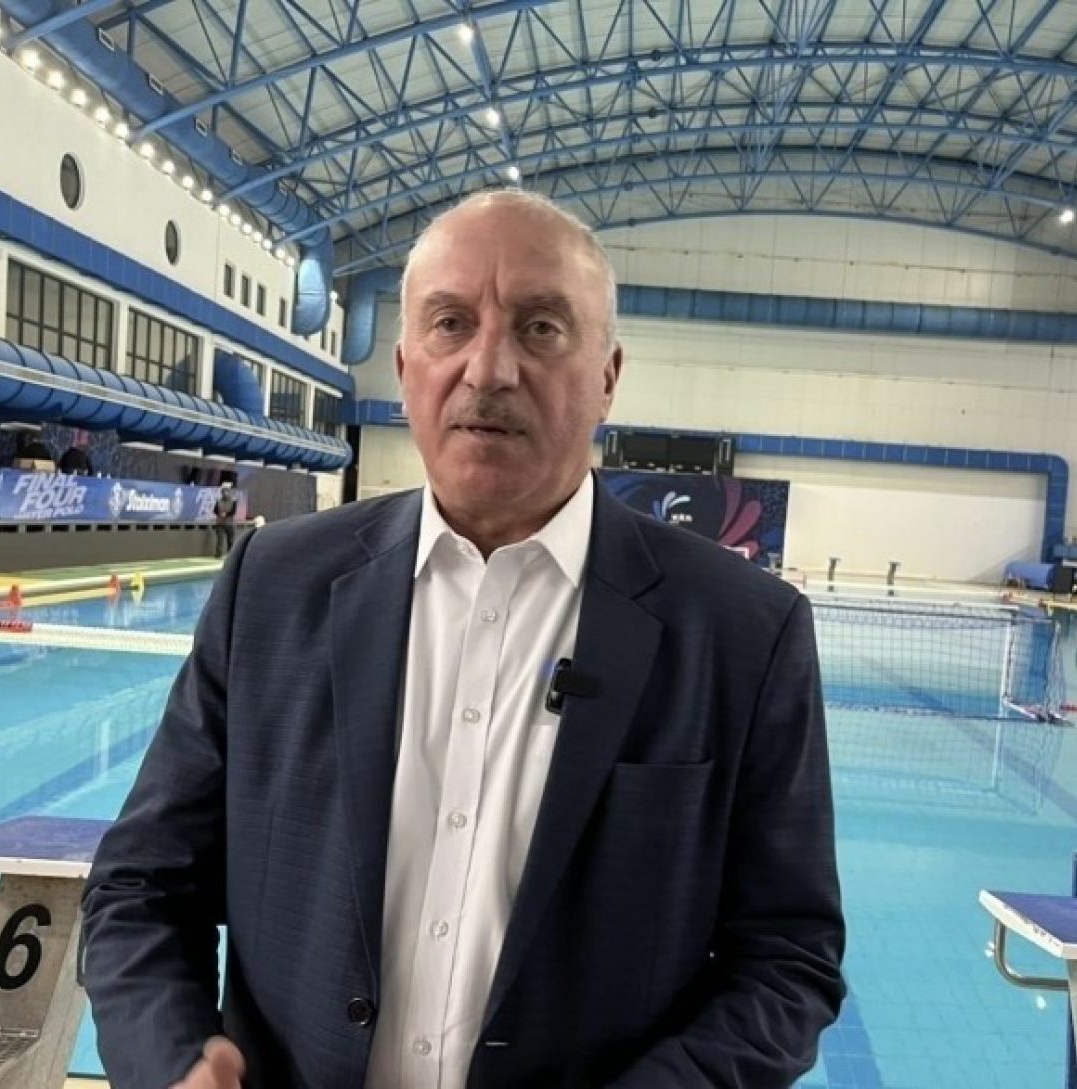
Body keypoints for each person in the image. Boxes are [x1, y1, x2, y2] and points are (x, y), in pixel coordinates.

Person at [81, 190, 845, 1089]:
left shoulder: (742, 633)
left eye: (541, 328)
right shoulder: (272, 588)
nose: (490, 369)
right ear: (407, 365)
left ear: (608, 375)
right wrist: (173, 1059)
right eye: (451, 324)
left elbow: (787, 960)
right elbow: (140, 885)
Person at [211, 481, 238, 559]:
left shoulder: (233, 501)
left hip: (229, 523)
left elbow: (233, 512)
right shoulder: (218, 501)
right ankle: (218, 554)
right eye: (223, 491)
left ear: (229, 492)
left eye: (227, 491)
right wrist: (219, 513)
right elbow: (215, 510)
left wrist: (226, 514)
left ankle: (230, 554)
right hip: (220, 523)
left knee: (230, 540)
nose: (225, 493)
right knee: (220, 539)